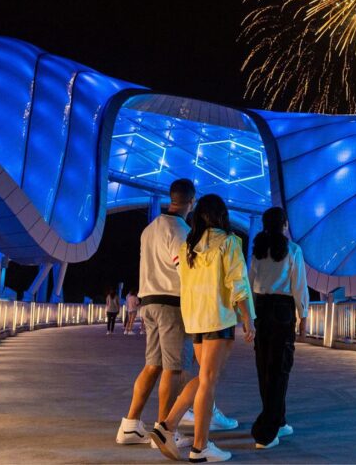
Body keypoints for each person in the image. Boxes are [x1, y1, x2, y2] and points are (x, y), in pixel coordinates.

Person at [116, 181, 237, 449]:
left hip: (148, 303)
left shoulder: (149, 230)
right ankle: (164, 430)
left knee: (153, 365)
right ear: (191, 202)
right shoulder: (181, 231)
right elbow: (187, 272)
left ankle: (130, 425)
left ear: (172, 199)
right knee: (176, 369)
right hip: (171, 305)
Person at [151, 194, 255, 463]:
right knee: (209, 380)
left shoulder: (188, 247)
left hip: (195, 320)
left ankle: (168, 426)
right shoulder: (229, 242)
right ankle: (199, 447)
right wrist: (248, 319)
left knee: (205, 378)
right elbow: (238, 283)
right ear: (221, 215)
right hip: (218, 318)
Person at [248, 207, 309, 449]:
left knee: (264, 366)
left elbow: (250, 283)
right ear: (284, 224)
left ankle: (279, 420)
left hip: (261, 309)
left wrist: (250, 316)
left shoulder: (258, 251)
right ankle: (267, 432)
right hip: (283, 311)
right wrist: (303, 315)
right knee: (280, 367)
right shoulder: (293, 250)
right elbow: (299, 285)